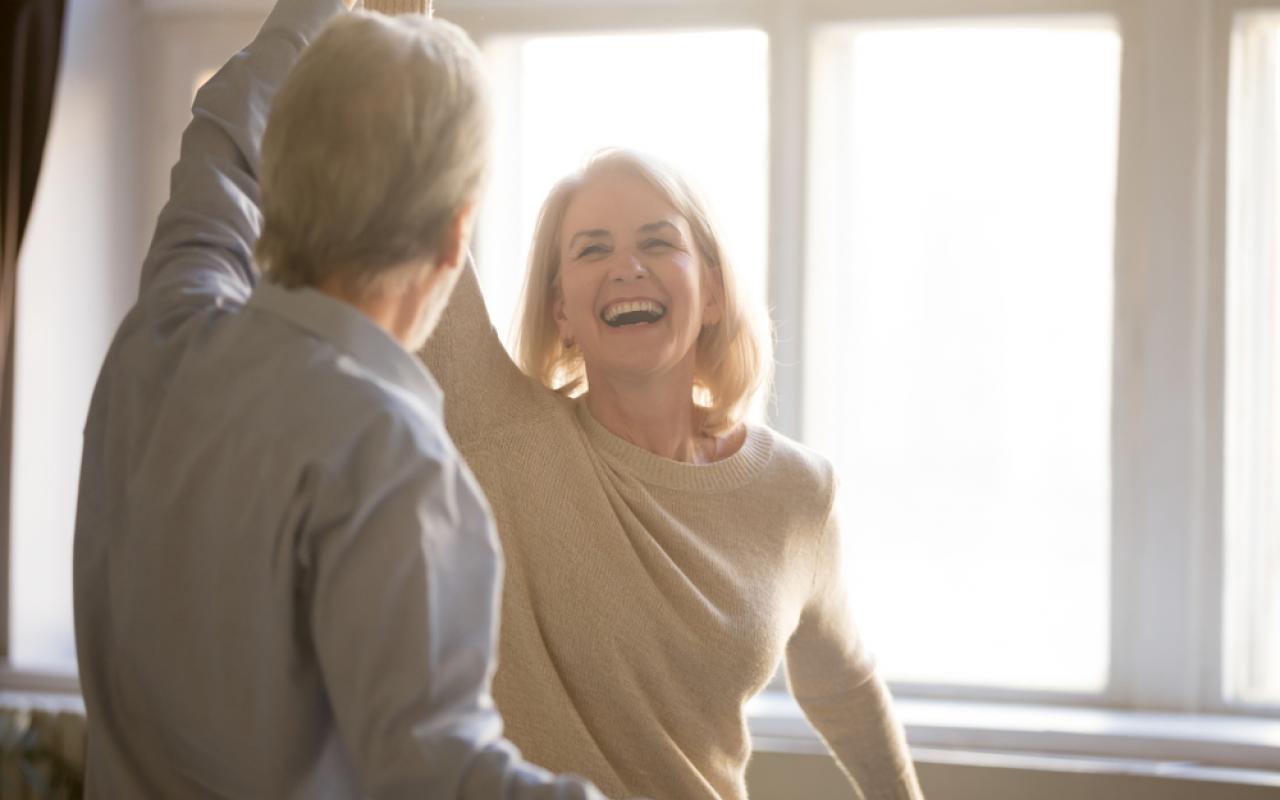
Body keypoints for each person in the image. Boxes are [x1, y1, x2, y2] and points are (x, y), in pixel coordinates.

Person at [72, 0, 612, 796]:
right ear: (455, 238)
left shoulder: (159, 336)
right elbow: (437, 773)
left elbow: (221, 142)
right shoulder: (389, 456)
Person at [423, 148, 926, 799]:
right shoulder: (500, 432)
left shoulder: (799, 492)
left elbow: (846, 686)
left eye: (658, 243)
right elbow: (401, 187)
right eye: (591, 250)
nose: (627, 267)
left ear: (713, 293)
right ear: (562, 313)